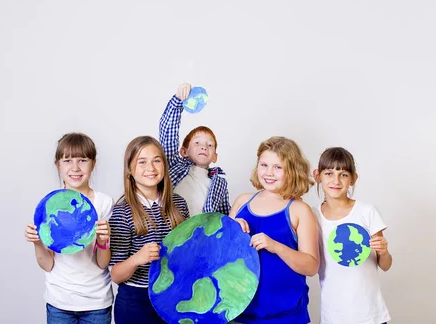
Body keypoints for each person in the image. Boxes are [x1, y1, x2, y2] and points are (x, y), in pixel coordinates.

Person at [24, 133, 114, 324]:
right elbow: (47, 264)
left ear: (93, 164)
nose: (75, 167)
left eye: (83, 160)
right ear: (58, 165)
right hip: (59, 301)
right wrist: (37, 242)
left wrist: (103, 241)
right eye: (67, 160)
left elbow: (103, 263)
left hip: (96, 302)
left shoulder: (104, 203)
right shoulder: (49, 206)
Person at [231, 136, 319, 324]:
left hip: (286, 316)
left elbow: (311, 266)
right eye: (264, 165)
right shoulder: (241, 202)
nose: (269, 173)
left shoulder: (300, 210)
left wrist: (276, 246)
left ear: (292, 170)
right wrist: (231, 233)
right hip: (239, 312)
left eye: (278, 167)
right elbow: (221, 258)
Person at [108, 136, 189, 324]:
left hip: (174, 298)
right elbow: (115, 274)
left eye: (157, 160)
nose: (150, 168)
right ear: (130, 170)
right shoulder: (122, 212)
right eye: (142, 162)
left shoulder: (179, 204)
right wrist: (138, 258)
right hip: (136, 302)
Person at [312, 147, 392, 324]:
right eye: (329, 173)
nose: (336, 180)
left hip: (370, 315)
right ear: (317, 175)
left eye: (343, 174)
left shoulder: (367, 212)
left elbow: (385, 265)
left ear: (353, 179)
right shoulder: (312, 216)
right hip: (333, 315)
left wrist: (384, 252)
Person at [159, 83, 230, 215]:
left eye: (210, 145)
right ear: (184, 152)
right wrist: (178, 101)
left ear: (215, 156)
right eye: (197, 142)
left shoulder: (220, 183)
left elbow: (224, 215)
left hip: (201, 234)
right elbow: (167, 133)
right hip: (172, 231)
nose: (204, 146)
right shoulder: (174, 166)